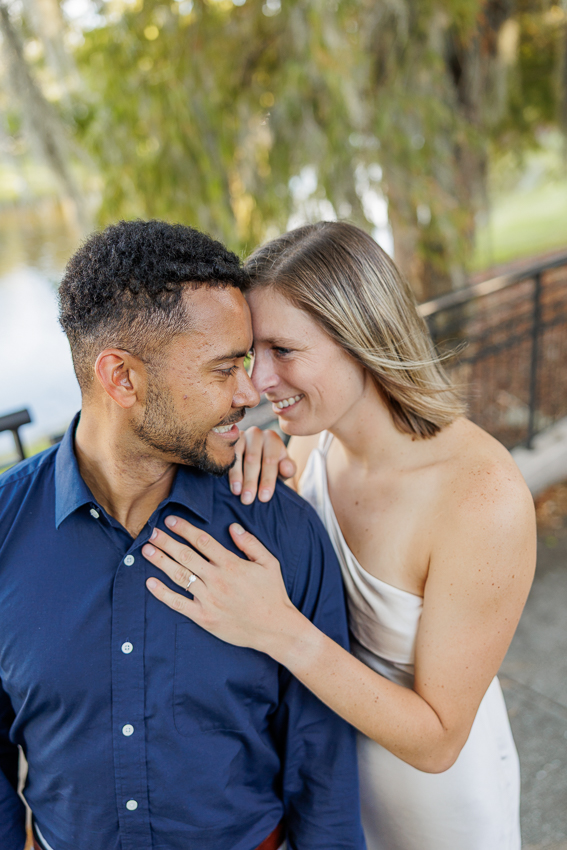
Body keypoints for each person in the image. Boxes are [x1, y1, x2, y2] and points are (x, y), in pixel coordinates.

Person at [143, 221, 537, 850]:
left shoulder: (481, 498)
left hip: (431, 807)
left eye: (284, 352)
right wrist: (266, 451)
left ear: (361, 340)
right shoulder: (303, 443)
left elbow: (438, 741)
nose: (259, 383)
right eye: (251, 355)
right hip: (326, 786)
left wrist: (279, 630)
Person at [0, 220, 366, 850]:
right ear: (122, 379)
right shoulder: (5, 528)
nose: (251, 392)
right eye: (225, 369)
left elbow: (323, 762)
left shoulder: (277, 526)